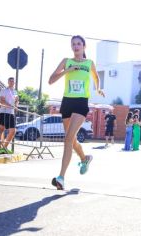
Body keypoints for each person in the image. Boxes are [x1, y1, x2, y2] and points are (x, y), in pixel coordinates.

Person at [48, 35, 104, 190]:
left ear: (84, 46)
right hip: (67, 102)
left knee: (67, 139)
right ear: (71, 47)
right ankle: (85, 158)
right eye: (73, 44)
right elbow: (51, 80)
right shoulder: (66, 61)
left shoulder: (89, 63)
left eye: (79, 44)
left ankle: (61, 178)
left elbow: (96, 77)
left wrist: (98, 89)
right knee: (71, 141)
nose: (76, 46)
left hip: (81, 103)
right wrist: (67, 70)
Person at [0, 77, 19, 154]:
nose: (12, 82)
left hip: (11, 112)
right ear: (8, 82)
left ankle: (4, 147)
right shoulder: (3, 90)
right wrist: (11, 106)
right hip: (4, 111)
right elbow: (2, 100)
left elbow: (17, 100)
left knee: (13, 131)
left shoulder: (15, 91)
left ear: (14, 83)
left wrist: (16, 105)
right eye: (10, 81)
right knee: (1, 129)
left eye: (13, 81)